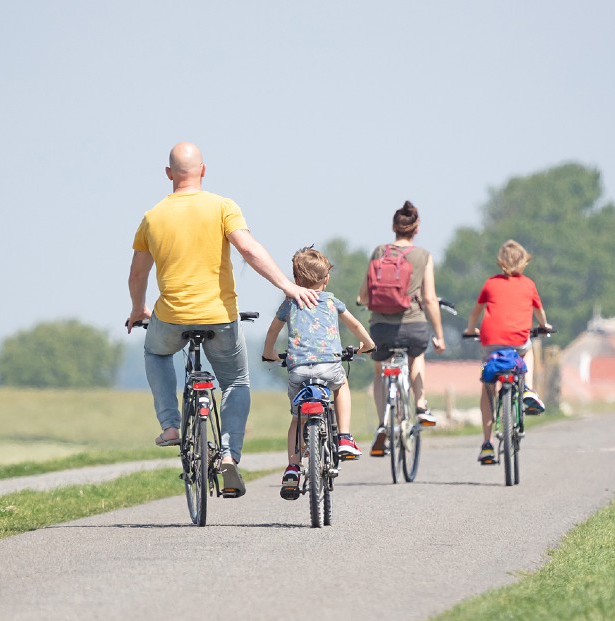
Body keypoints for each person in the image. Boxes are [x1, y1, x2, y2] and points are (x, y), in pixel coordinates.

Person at [127, 142, 318, 498]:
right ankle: (229, 454)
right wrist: (287, 286)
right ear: (203, 170)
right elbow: (248, 249)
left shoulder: (152, 217)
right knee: (235, 382)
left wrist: (139, 309)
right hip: (220, 318)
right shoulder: (222, 207)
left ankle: (170, 425)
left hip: (170, 318)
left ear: (169, 174)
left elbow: (137, 275)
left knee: (155, 353)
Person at [262, 247, 376, 500]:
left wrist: (269, 353)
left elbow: (272, 332)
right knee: (341, 385)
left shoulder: (290, 302)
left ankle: (292, 467)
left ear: (295, 281)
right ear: (326, 279)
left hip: (299, 370)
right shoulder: (332, 301)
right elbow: (355, 325)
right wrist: (367, 345)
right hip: (329, 366)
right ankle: (345, 437)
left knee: (296, 417)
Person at [356, 200, 447, 457]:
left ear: (393, 228)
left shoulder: (378, 252)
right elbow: (429, 299)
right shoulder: (423, 256)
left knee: (379, 370)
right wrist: (439, 336)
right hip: (413, 325)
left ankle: (382, 424)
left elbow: (363, 294)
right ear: (416, 229)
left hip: (381, 328)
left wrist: (362, 301)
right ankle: (420, 406)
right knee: (416, 356)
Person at [463, 239, 550, 465]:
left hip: (491, 341)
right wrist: (545, 325)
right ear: (524, 262)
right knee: (527, 351)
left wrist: (471, 329)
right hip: (518, 341)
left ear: (501, 261)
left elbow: (475, 313)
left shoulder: (490, 283)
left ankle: (486, 444)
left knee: (488, 386)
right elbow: (539, 312)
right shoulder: (529, 285)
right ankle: (527, 390)